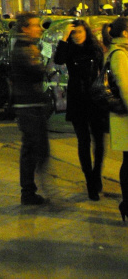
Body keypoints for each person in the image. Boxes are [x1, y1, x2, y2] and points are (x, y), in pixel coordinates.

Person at [54, 19, 106, 200]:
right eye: (74, 33)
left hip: (95, 99)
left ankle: (97, 173)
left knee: (99, 141)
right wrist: (64, 37)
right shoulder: (68, 49)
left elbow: (104, 72)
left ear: (87, 32)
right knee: (83, 141)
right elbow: (58, 59)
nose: (77, 36)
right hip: (77, 99)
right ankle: (90, 180)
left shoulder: (94, 48)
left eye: (80, 32)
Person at [10, 13, 49, 205]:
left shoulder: (27, 46)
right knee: (32, 148)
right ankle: (29, 191)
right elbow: (37, 72)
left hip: (31, 103)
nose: (39, 29)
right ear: (25, 28)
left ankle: (34, 188)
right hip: (28, 105)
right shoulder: (24, 48)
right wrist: (45, 64)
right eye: (35, 26)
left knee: (37, 148)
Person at [107, 16, 128, 222]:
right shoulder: (119, 54)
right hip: (125, 115)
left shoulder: (123, 51)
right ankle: (126, 204)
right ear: (125, 33)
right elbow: (125, 86)